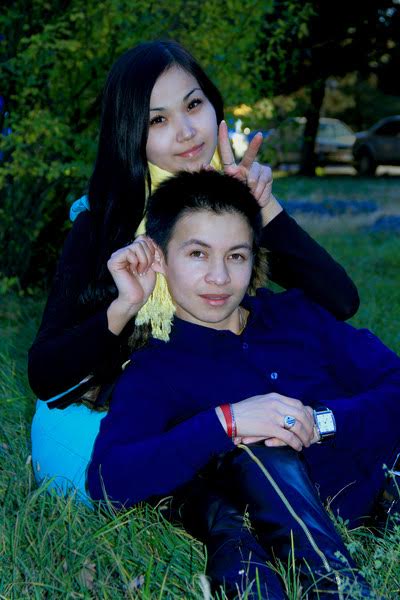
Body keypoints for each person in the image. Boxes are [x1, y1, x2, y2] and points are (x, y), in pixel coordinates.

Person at [28, 40, 359, 499]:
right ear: (130, 133)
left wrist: (262, 207)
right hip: (127, 412)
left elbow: (340, 301)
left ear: (213, 104)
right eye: (157, 120)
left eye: (193, 105)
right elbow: (46, 374)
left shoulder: (231, 199)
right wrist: (123, 307)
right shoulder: (102, 222)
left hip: (212, 377)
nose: (185, 131)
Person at [87, 170, 396, 598]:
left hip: (385, 484)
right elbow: (106, 480)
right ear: (159, 258)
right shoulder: (157, 369)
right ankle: (337, 588)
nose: (219, 277)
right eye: (198, 254)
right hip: (295, 519)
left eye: (236, 256)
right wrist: (225, 422)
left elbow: (393, 382)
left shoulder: (296, 315)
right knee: (258, 448)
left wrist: (321, 421)